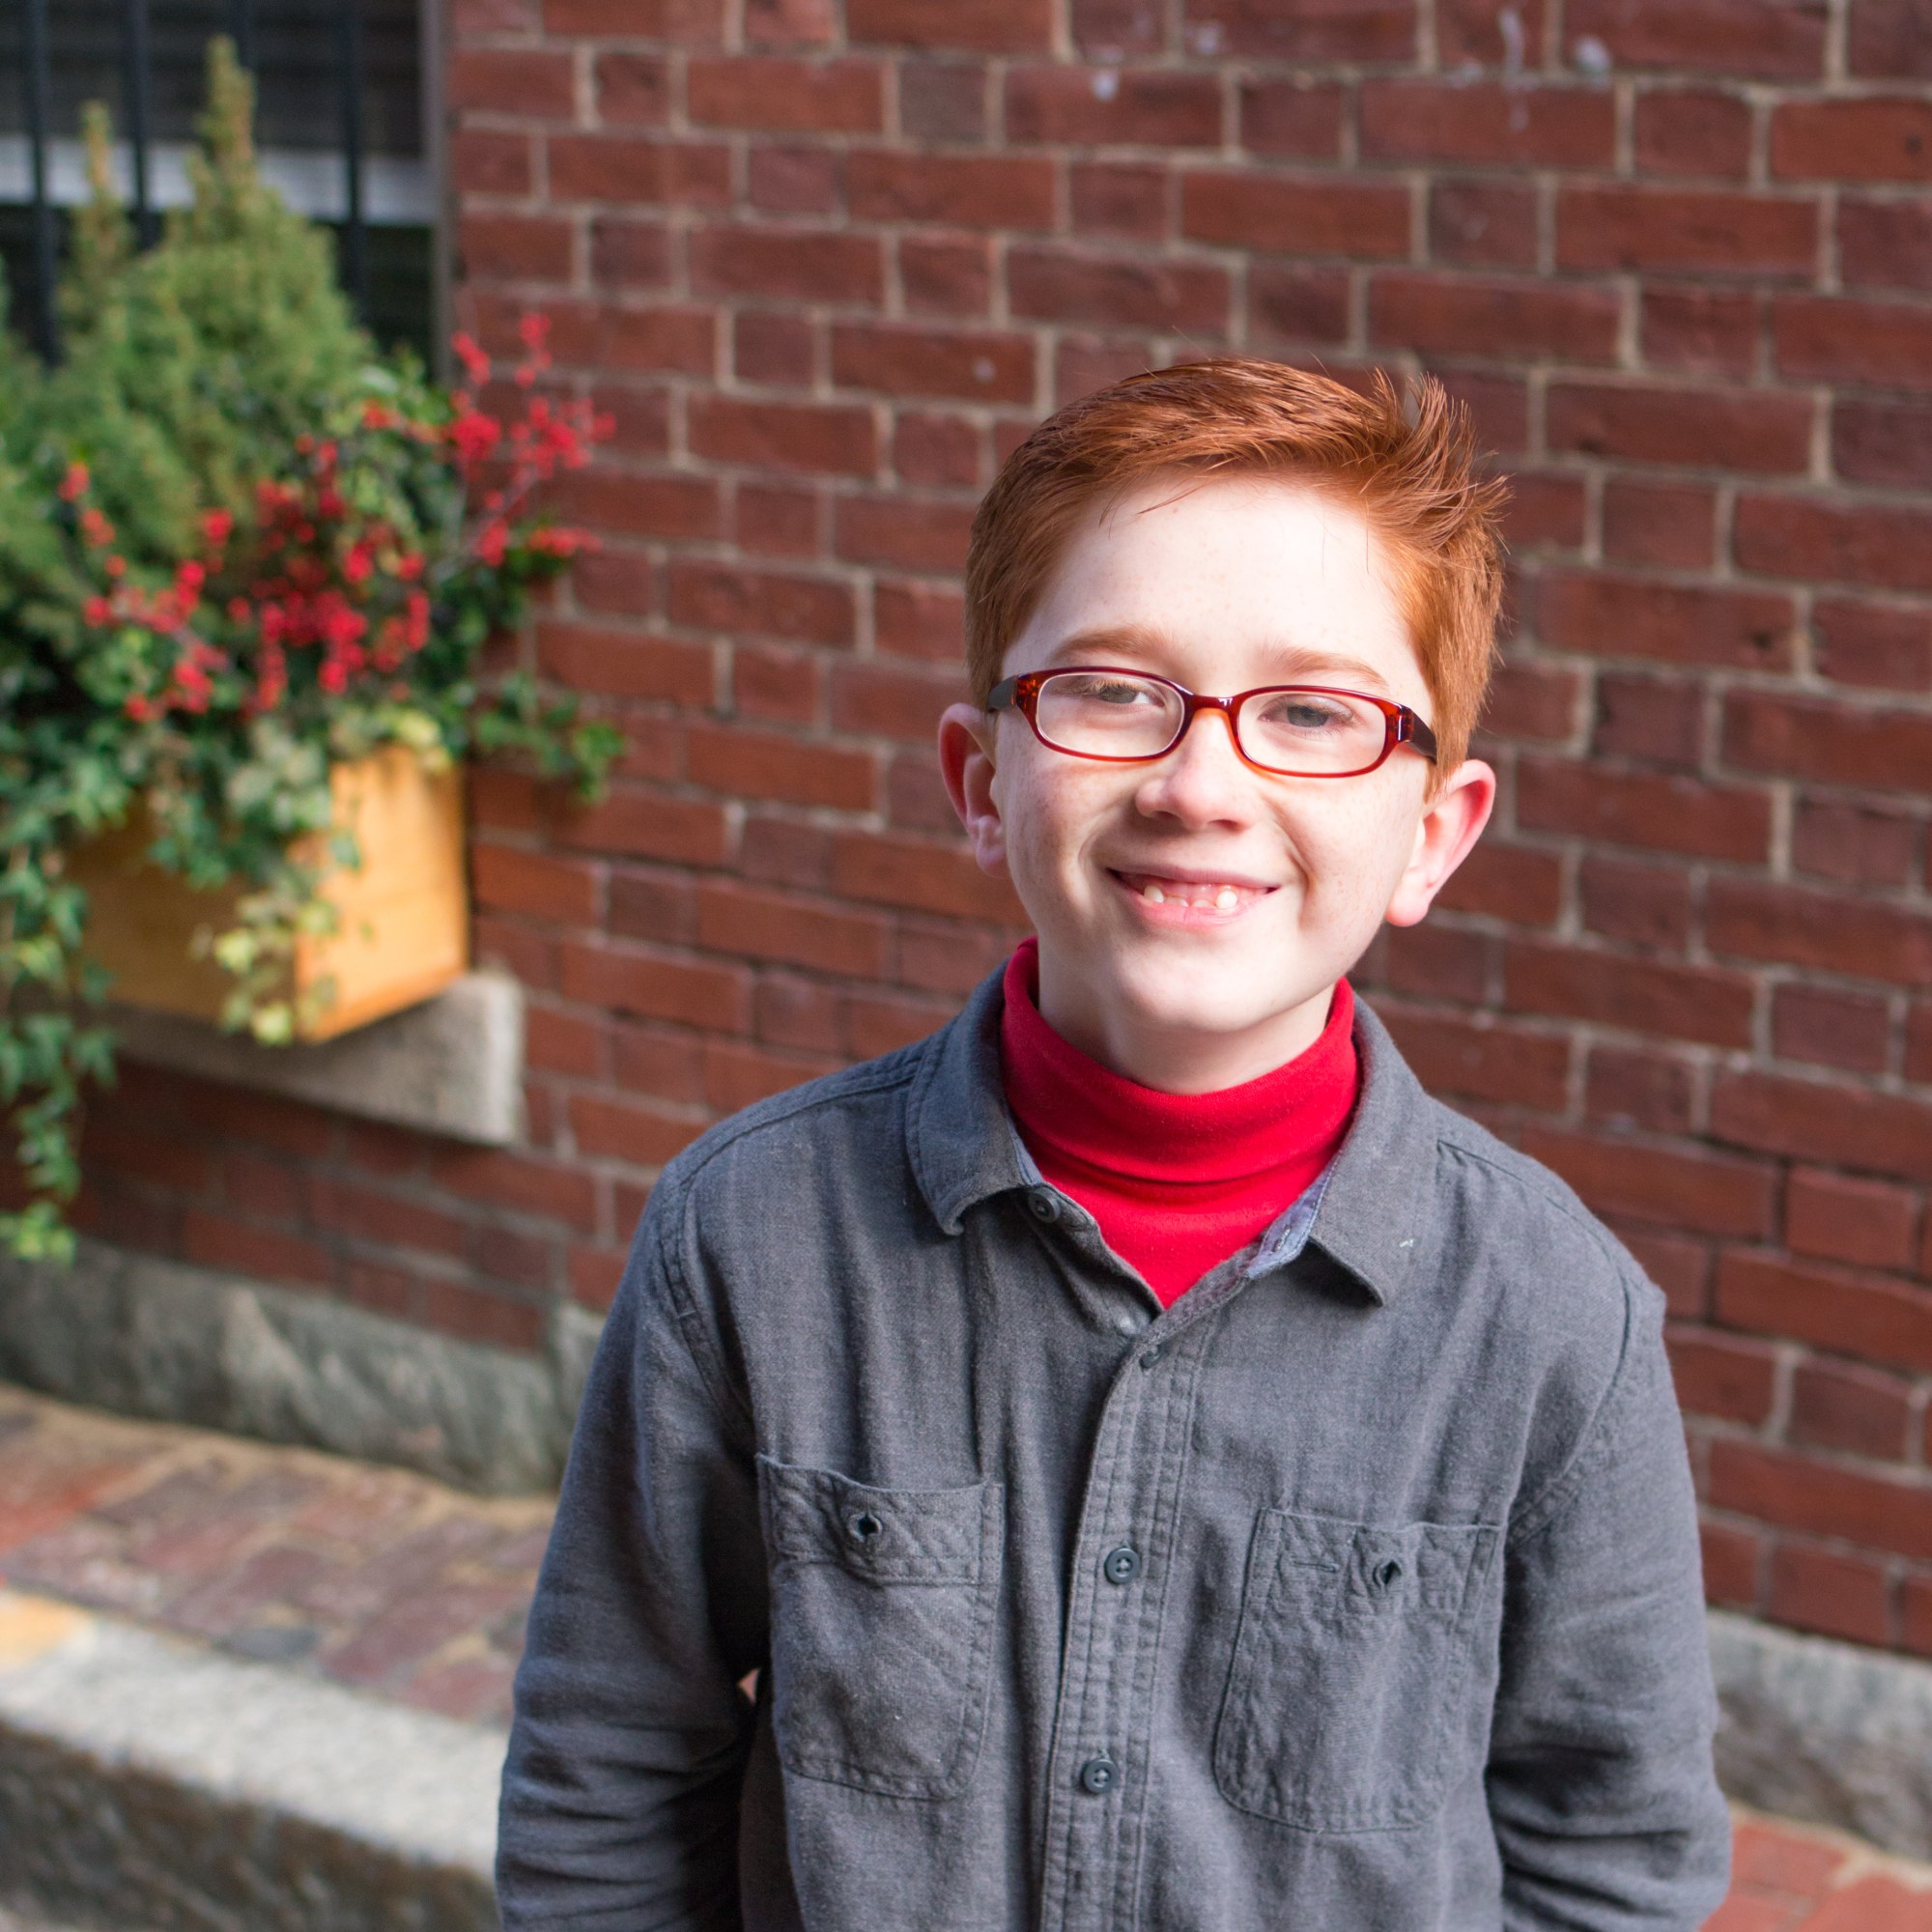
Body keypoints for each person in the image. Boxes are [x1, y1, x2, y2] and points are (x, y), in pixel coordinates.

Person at [497, 359, 1731, 1930]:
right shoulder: (751, 1238)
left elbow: (1614, 1856)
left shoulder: (1555, 1318)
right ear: (981, 779)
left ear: (1432, 833)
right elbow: (609, 1773)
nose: (1201, 783)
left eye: (1312, 713)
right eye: (1112, 691)